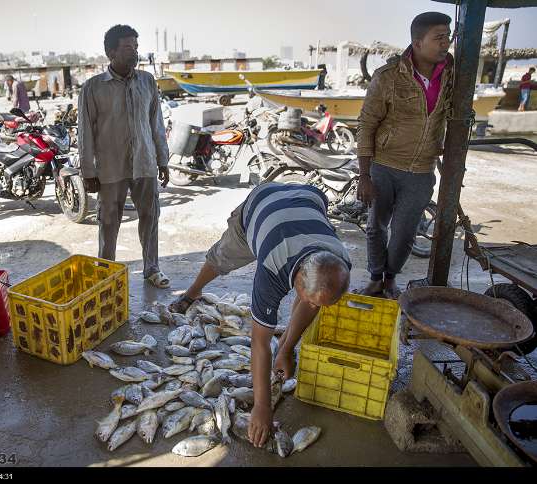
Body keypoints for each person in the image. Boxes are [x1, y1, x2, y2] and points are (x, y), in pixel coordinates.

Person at [169, 183, 351, 447]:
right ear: (297, 281)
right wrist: (262, 406)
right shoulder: (272, 270)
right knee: (222, 257)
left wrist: (286, 349)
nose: (314, 305)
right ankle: (193, 291)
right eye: (308, 298)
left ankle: (288, 344)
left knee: (313, 301)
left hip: (307, 198)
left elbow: (314, 302)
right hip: (260, 206)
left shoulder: (340, 261)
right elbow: (259, 342)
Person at [356, 11, 453, 299]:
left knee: (405, 234)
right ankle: (375, 277)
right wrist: (364, 175)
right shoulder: (387, 77)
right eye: (439, 38)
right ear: (417, 42)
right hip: (384, 166)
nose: (445, 43)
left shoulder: (452, 74)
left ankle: (390, 279)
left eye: (448, 37)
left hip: (422, 169)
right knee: (376, 226)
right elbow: (366, 124)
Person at [78, 25, 171, 288]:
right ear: (111, 52)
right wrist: (88, 172)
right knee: (108, 221)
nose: (135, 53)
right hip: (110, 168)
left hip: (144, 162)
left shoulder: (147, 81)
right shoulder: (92, 88)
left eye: (136, 47)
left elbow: (156, 123)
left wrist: (162, 159)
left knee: (150, 217)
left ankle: (152, 269)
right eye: (128, 48)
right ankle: (106, 273)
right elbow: (85, 132)